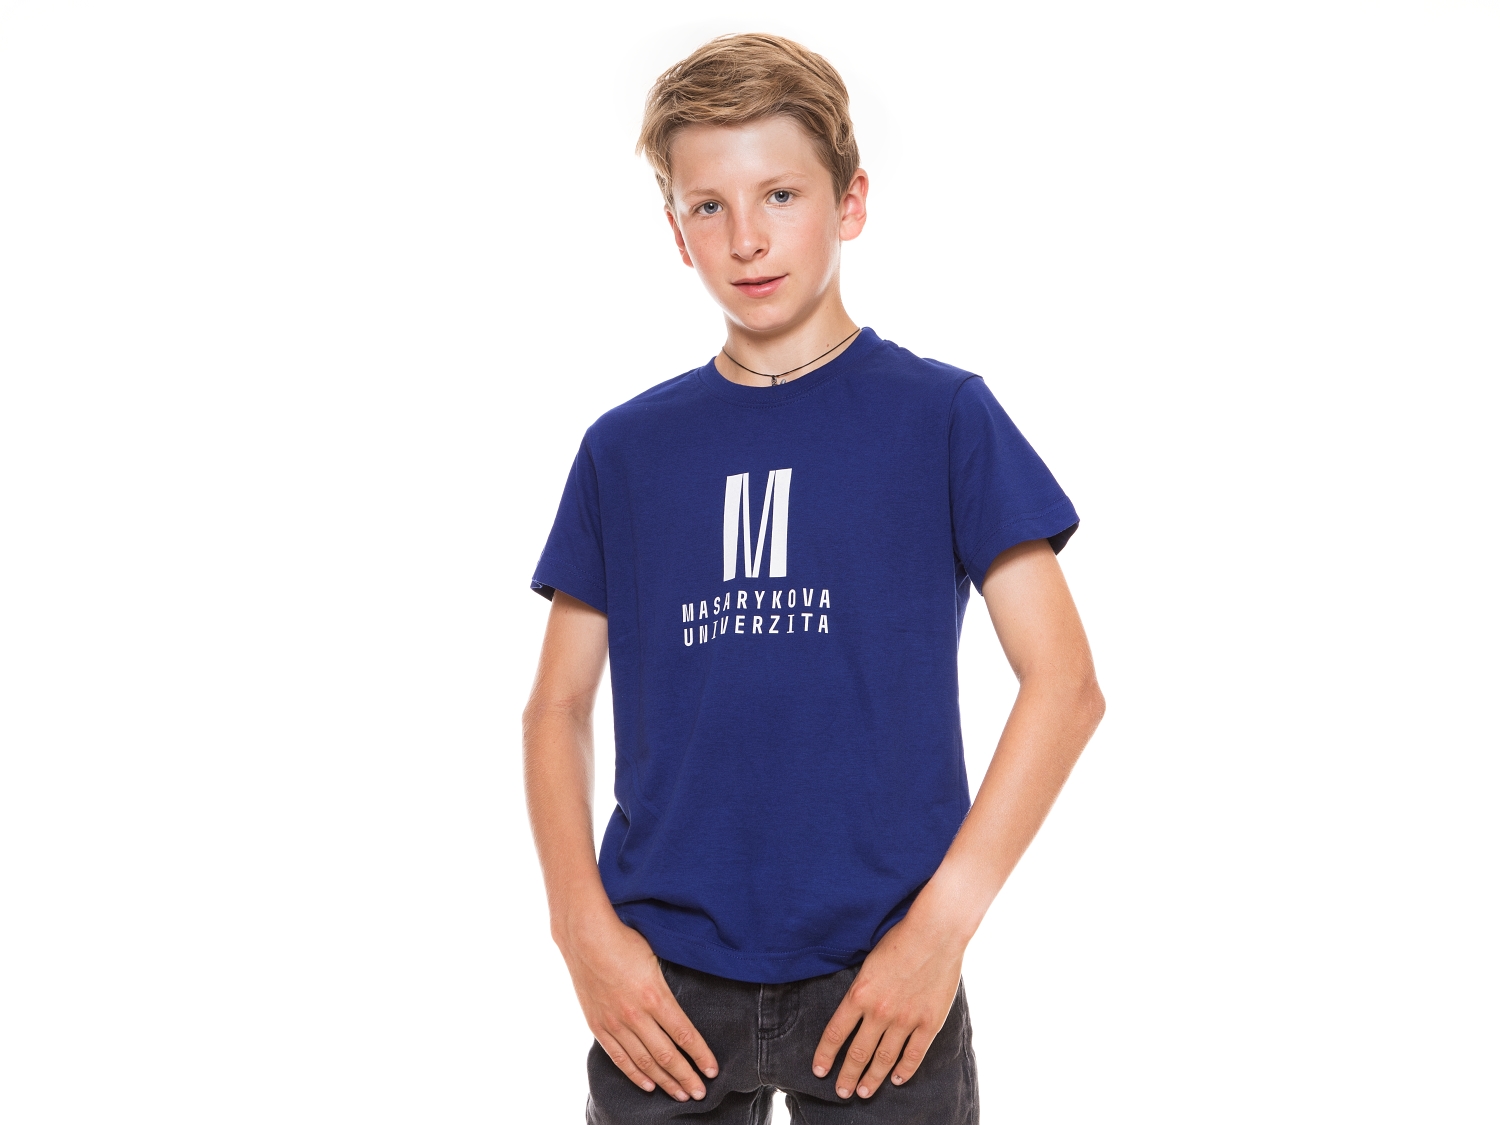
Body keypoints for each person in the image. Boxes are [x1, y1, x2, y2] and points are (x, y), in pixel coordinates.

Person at [523, 32, 1105, 1124]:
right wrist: (581, 930)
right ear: (675, 230)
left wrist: (940, 931)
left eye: (780, 194)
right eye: (708, 206)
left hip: (883, 971)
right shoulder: (625, 450)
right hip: (664, 980)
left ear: (851, 202)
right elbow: (556, 707)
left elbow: (1066, 684)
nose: (746, 238)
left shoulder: (942, 416)